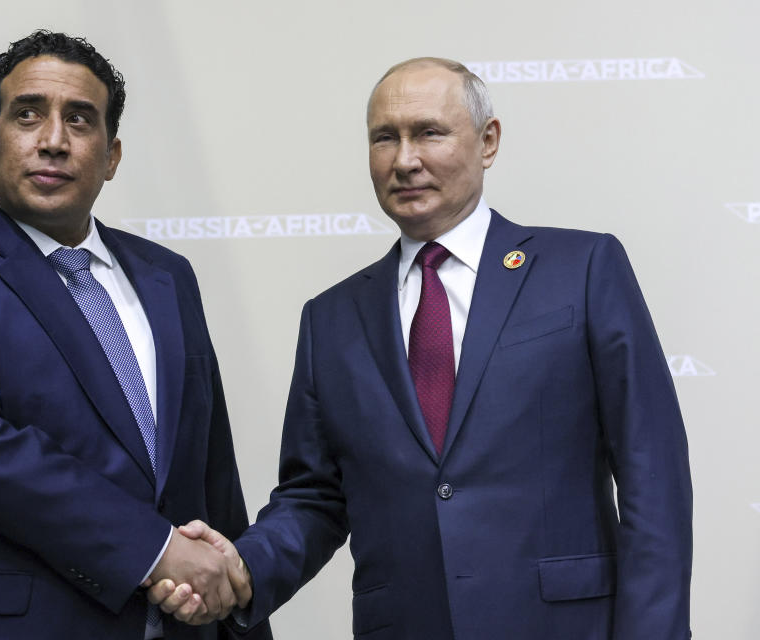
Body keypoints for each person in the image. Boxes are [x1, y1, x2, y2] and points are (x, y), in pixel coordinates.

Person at [151, 57, 693, 639]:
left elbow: (651, 472)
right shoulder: (331, 318)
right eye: (385, 138)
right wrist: (243, 566)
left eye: (429, 132)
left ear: (488, 142)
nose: (405, 159)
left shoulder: (582, 269)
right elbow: (314, 497)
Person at [0, 30, 269, 640]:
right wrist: (157, 550)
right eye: (28, 115)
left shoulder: (168, 277)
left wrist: (234, 606)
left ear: (111, 156)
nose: (53, 141)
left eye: (80, 120)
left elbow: (209, 475)